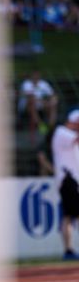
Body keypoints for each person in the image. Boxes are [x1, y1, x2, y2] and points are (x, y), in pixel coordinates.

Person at [51, 109, 79, 260]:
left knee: (68, 215)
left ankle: (68, 250)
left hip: (71, 179)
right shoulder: (62, 132)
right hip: (67, 179)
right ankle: (68, 250)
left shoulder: (70, 135)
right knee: (70, 214)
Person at [18, 69, 58, 138]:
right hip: (26, 107)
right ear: (31, 76)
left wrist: (53, 100)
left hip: (41, 105)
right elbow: (30, 97)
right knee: (32, 104)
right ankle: (41, 126)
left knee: (53, 105)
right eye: (34, 75)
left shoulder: (44, 83)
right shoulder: (26, 84)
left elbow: (52, 94)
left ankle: (51, 127)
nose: (36, 76)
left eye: (37, 75)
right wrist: (45, 102)